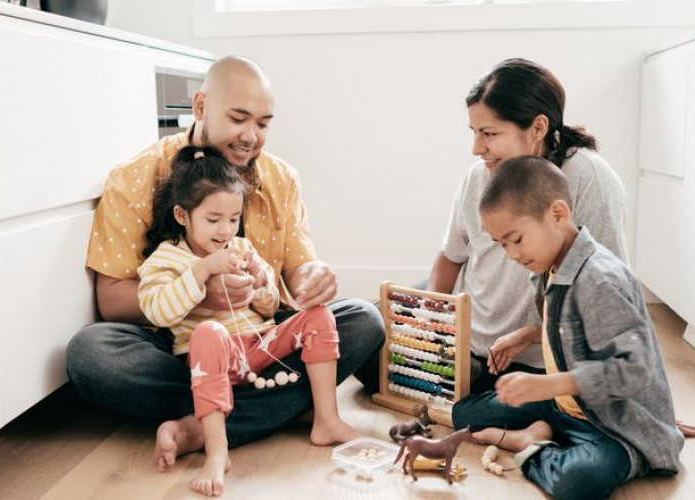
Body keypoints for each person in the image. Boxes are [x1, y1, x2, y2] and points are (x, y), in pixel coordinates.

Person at [66, 56, 383, 466]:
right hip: (177, 341)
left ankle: (203, 426)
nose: (251, 136)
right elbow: (110, 301)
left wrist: (313, 278)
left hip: (260, 339)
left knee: (362, 319)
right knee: (91, 354)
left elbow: (294, 275)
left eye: (263, 124)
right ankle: (272, 404)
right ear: (200, 107)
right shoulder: (135, 176)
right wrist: (199, 294)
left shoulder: (282, 178)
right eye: (238, 119)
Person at [452, 156, 682, 499]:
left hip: (614, 426)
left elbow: (635, 370)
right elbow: (568, 327)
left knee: (577, 481)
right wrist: (529, 336)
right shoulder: (549, 265)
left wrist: (549, 384)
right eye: (502, 244)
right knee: (464, 413)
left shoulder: (601, 280)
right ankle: (546, 430)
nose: (511, 254)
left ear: (558, 214)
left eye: (516, 239)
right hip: (564, 404)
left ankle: (531, 444)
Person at [139, 145, 359, 496]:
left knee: (319, 314)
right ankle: (217, 450)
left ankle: (326, 420)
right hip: (210, 362)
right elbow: (156, 310)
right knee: (208, 332)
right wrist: (201, 272)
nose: (226, 230)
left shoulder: (241, 249)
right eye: (213, 220)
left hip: (259, 349)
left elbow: (271, 309)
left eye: (234, 219)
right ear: (183, 215)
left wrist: (261, 285)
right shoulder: (165, 260)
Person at [427, 58, 628, 392]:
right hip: (473, 341)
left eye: (489, 134)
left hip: (538, 360)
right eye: (475, 133)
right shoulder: (479, 174)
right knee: (374, 329)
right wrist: (434, 320)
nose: (477, 149)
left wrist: (632, 397)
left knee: (499, 407)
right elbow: (452, 254)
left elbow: (612, 294)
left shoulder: (589, 178)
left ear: (537, 128)